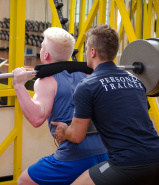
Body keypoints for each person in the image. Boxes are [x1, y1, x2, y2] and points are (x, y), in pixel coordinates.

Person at [52, 24, 159, 185]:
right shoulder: (136, 81)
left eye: (86, 48)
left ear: (92, 52)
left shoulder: (87, 85)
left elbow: (76, 136)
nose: (86, 52)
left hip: (128, 166)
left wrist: (64, 130)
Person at [12, 27, 108, 185]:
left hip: (75, 156)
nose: (42, 49)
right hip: (105, 152)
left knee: (24, 181)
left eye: (42, 46)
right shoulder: (89, 75)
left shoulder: (46, 81)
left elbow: (37, 118)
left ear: (46, 54)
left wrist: (18, 85)